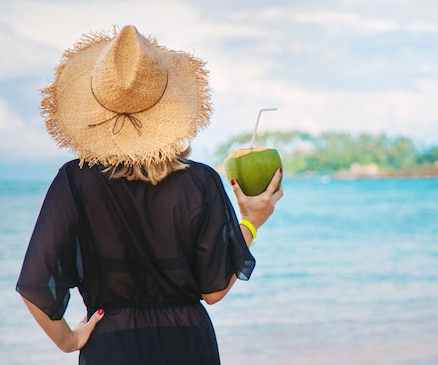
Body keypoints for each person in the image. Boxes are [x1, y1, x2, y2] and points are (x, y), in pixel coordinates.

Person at [15, 25, 283, 364]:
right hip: (189, 345)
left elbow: (36, 285)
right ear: (172, 113)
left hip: (110, 346)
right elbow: (214, 290)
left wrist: (68, 340)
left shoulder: (75, 180)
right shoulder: (200, 181)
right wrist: (252, 222)